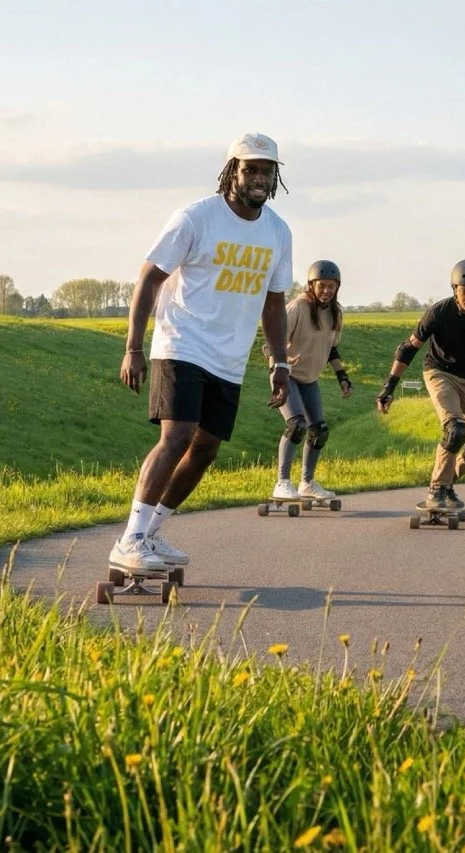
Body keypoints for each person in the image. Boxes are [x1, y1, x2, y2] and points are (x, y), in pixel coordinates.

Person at [112, 132, 293, 572]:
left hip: (228, 359)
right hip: (181, 344)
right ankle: (130, 538)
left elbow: (273, 302)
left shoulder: (277, 231)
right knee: (177, 436)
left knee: (207, 448)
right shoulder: (195, 218)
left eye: (267, 171)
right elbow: (149, 279)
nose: (259, 178)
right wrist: (133, 346)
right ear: (232, 171)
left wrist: (280, 360)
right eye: (250, 169)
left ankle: (151, 533)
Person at [375, 259, 465, 509]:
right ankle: (437, 489)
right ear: (455, 289)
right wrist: (389, 387)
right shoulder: (439, 312)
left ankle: (446, 484)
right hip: (439, 372)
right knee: (455, 430)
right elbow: (408, 348)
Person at [270, 260, 354, 502]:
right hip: (287, 375)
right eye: (322, 286)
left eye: (332, 287)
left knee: (319, 431)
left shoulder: (336, 313)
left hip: (309, 379)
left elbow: (332, 350)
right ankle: (283, 482)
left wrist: (342, 377)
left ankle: (307, 483)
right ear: (311, 285)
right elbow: (274, 343)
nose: (327, 291)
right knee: (297, 426)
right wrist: (278, 377)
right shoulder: (297, 307)